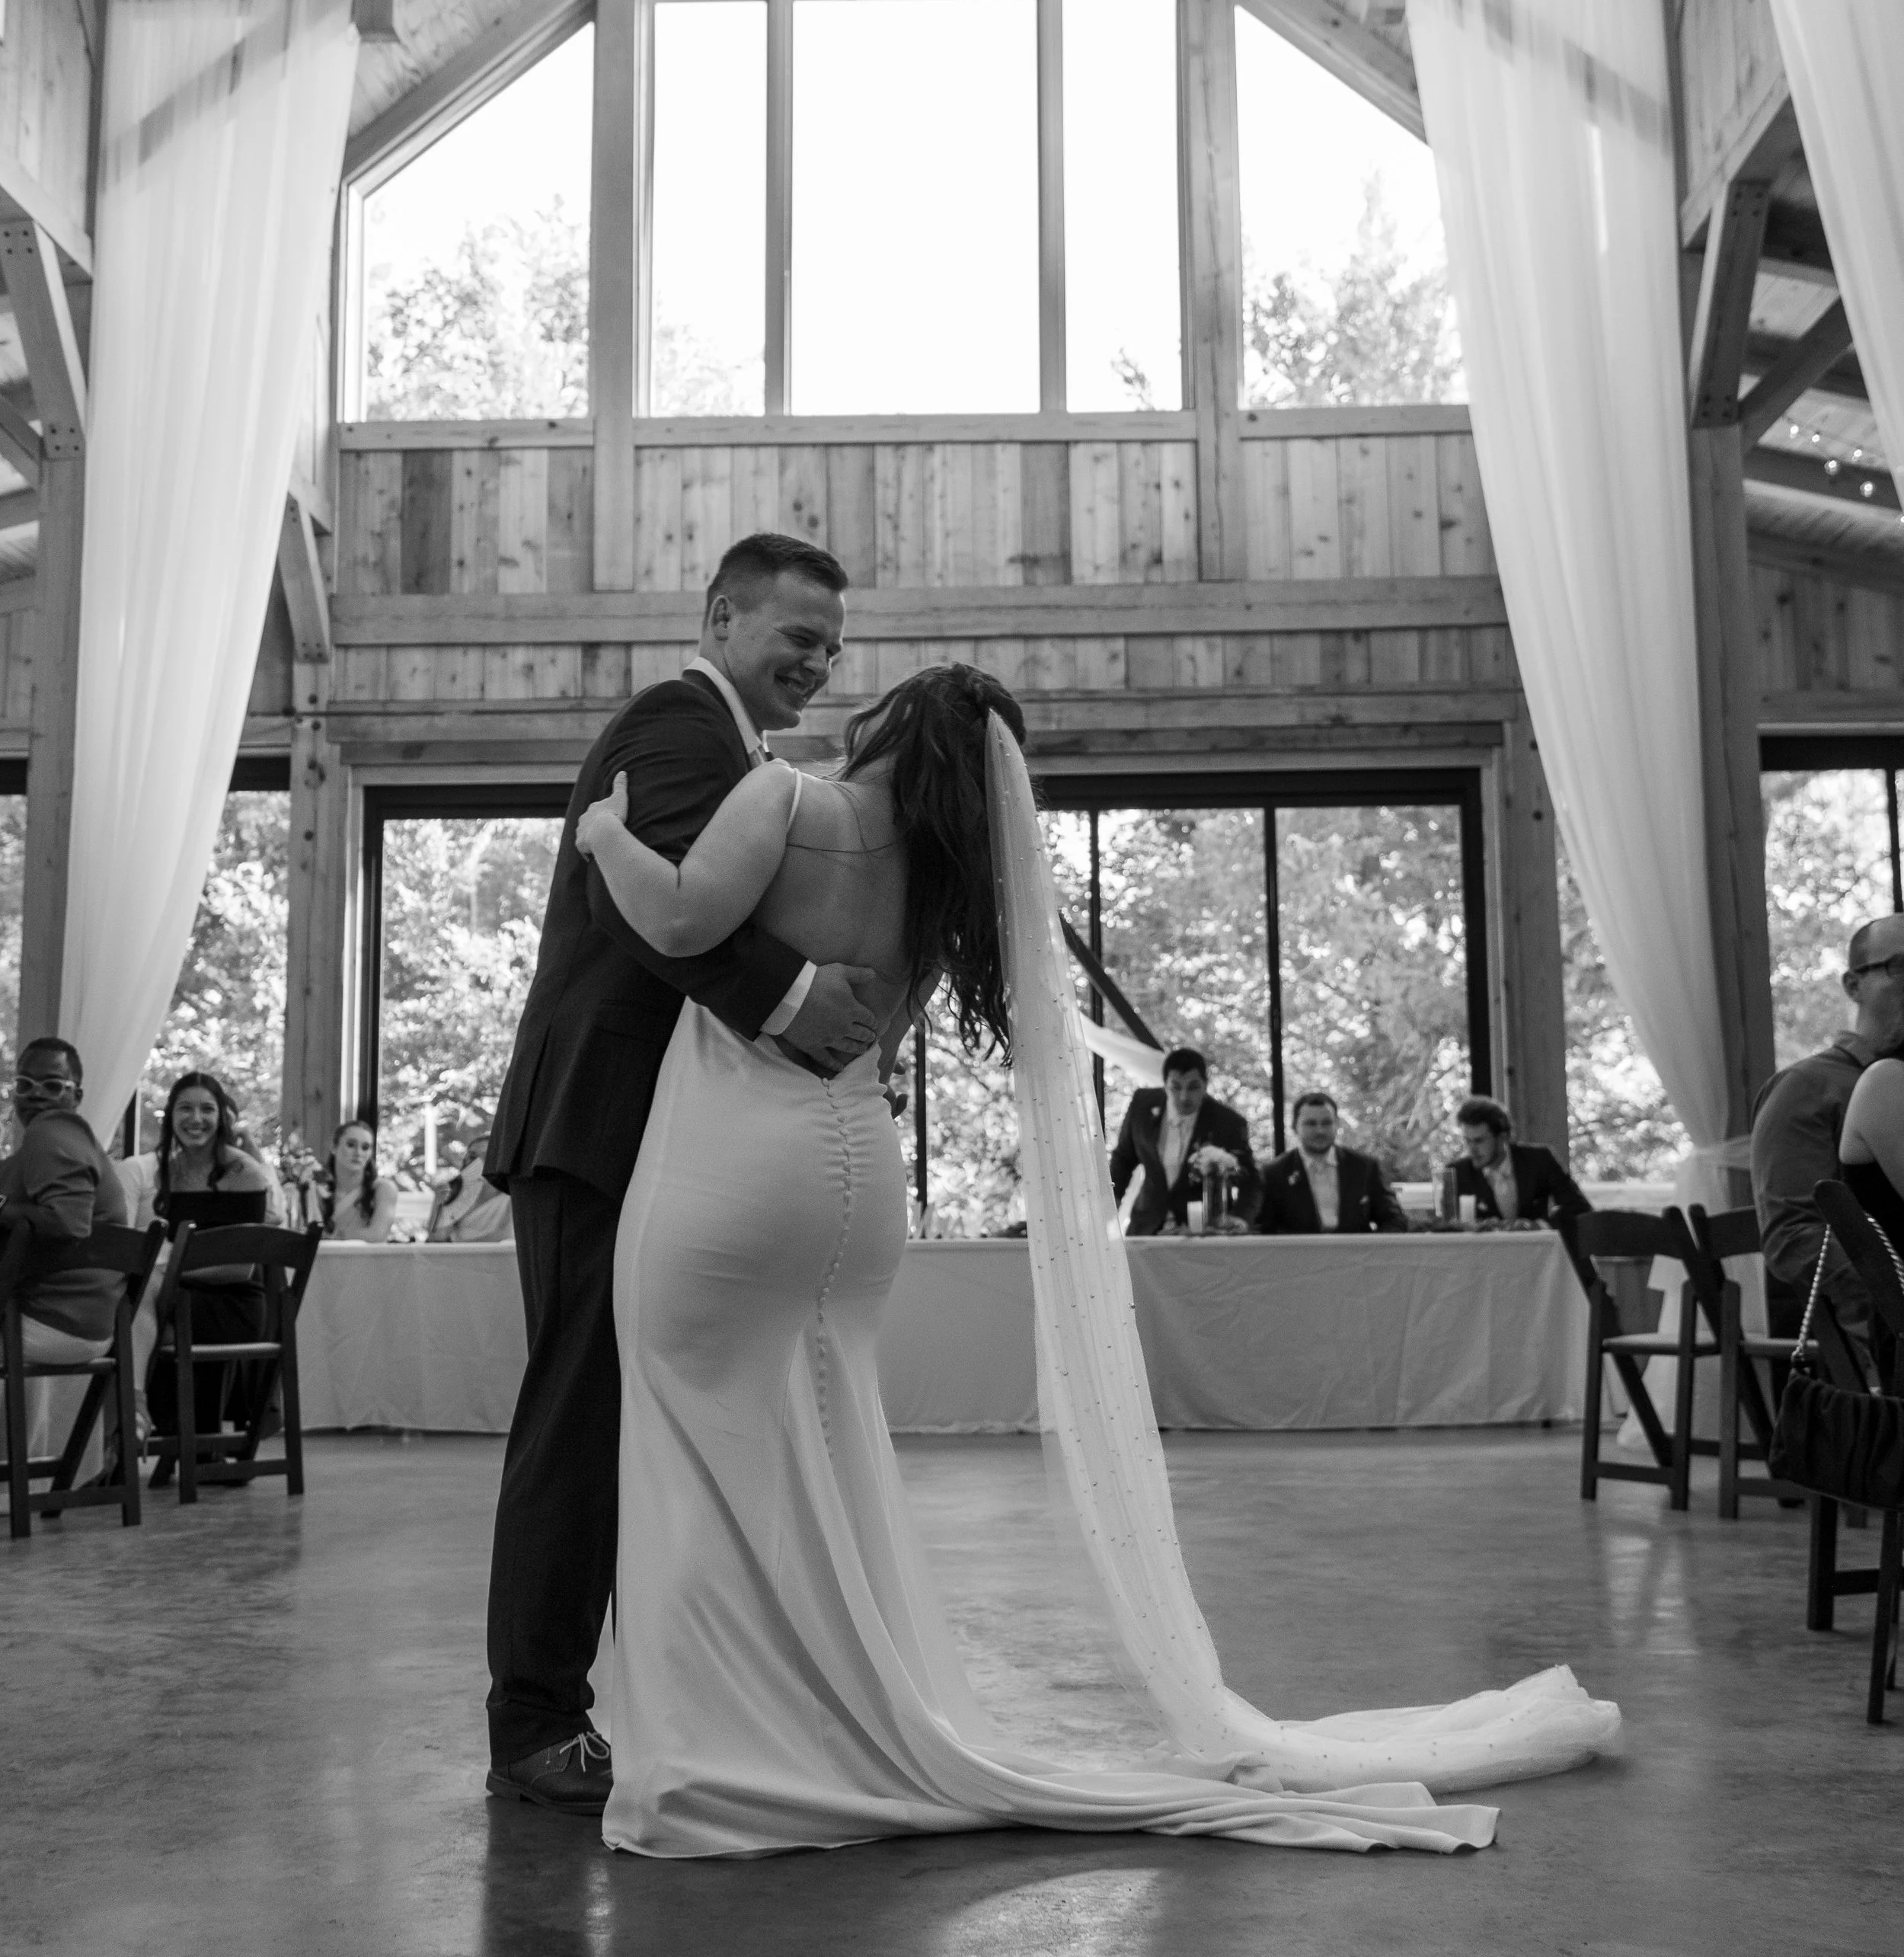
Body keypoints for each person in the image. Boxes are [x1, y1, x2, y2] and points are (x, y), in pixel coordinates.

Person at [567, 658, 1618, 1860]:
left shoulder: (789, 799)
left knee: (696, 1446)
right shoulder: (944, 884)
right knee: (825, 1446)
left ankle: (731, 1744)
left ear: (892, 725)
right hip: (852, 1175)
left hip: (735, 1165)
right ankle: (831, 1717)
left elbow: (684, 920)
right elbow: (872, 1028)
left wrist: (604, 832)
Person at [482, 532, 882, 1817]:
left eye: (833, 643)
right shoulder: (675, 725)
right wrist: (794, 999)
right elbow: (645, 912)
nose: (817, 661)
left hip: (658, 1137)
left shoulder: (747, 756)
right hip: (592, 1124)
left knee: (636, 1423)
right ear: (721, 615)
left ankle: (676, 1697)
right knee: (579, 1421)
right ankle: (534, 1724)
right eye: (796, 634)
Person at [1750, 912, 1904, 1332]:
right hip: (1871, 1327)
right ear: (1854, 986)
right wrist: (1890, 1293)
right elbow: (1792, 1237)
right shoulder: (1806, 1087)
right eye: (1899, 967)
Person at [142, 1070, 277, 1445]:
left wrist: (169, 1269)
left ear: (222, 1118)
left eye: (207, 1109)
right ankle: (178, 1438)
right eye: (185, 1109)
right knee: (127, 1309)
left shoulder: (245, 1173)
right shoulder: (168, 1172)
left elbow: (241, 1267)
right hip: (182, 1297)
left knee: (132, 1320)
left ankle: (145, 1431)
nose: (195, 1119)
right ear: (171, 1116)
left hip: (235, 1304)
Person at [0, 1036, 133, 1372]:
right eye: (24, 1084)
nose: (36, 1094)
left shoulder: (51, 1129)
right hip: (87, 1325)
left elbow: (68, 1223)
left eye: (53, 1085)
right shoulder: (64, 1145)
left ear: (77, 1096)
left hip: (49, 1320)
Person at [1108, 1047, 1262, 1233]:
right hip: (1147, 1225)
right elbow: (1123, 1160)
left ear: (1206, 1085)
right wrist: (1107, 1208)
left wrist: (1240, 1218)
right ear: (1165, 1084)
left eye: (1193, 1087)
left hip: (1204, 1231)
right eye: (1176, 1087)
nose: (1184, 1096)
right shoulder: (1142, 1104)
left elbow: (1251, 1180)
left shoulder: (1227, 1122)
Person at [1256, 1089, 1407, 1234]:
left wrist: (1373, 1251)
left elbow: (1394, 1220)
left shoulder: (1364, 1167)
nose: (1320, 1131)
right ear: (1295, 1127)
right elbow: (1263, 1229)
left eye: (1327, 1123)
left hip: (1357, 1257)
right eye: (1311, 1124)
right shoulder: (1274, 1174)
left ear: (1337, 1124)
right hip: (1298, 1259)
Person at [1446, 1096, 1586, 1231]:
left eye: (1479, 1141)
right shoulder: (1457, 1172)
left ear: (1503, 1137)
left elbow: (1578, 1207)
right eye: (1467, 1141)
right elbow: (1445, 1225)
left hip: (1537, 1252)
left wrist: (1538, 1226)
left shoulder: (1539, 1160)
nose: (1471, 1150)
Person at [318, 1117, 400, 1242]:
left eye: (365, 1147)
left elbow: (377, 1235)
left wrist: (332, 1237)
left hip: (367, 1261)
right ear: (334, 1147)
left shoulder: (383, 1189)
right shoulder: (317, 1189)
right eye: (351, 1145)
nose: (358, 1153)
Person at [426, 1128, 512, 1244]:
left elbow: (509, 1236)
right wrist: (438, 1204)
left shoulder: (510, 1197)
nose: (479, 1162)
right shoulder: (456, 1192)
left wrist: (462, 1247)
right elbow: (436, 1238)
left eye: (487, 1157)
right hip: (453, 1257)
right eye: (472, 1157)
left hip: (493, 1258)